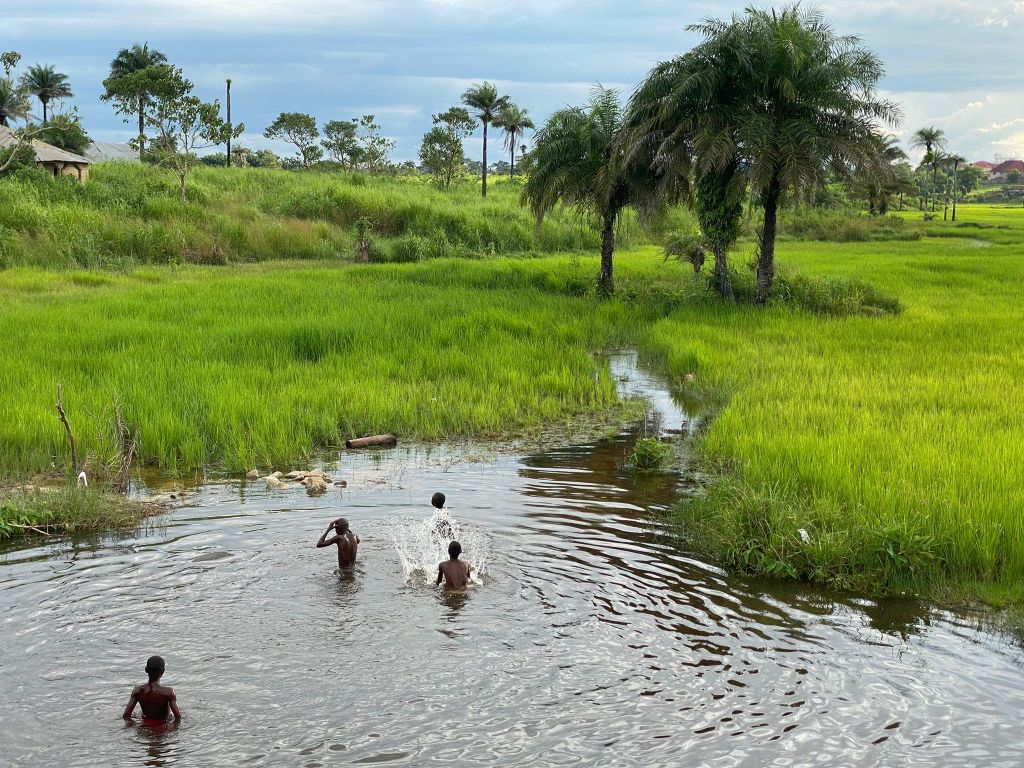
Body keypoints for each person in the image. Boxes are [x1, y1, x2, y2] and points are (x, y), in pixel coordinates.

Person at [123, 655, 181, 723]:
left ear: (146, 670)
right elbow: (178, 718)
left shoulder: (137, 690)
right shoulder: (168, 692)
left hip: (144, 725)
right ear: (163, 671)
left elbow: (126, 716)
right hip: (162, 727)